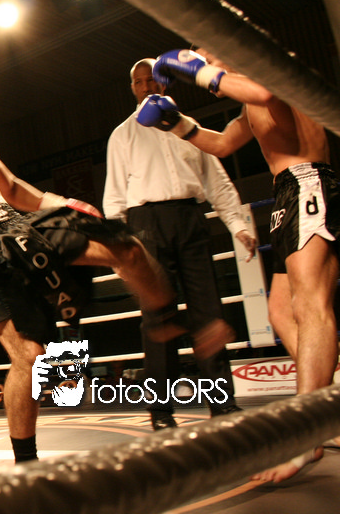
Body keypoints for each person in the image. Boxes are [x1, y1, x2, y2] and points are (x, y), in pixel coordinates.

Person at [0, 54, 231, 463]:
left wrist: (62, 202)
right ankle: (26, 463)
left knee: (128, 247)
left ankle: (164, 321)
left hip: (20, 227)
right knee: (30, 358)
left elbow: (13, 188)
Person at [140, 47, 339, 481]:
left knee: (311, 305)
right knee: (281, 311)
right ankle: (327, 398)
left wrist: (198, 71)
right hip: (287, 195)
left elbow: (266, 92)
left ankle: (307, 431)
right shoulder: (249, 101)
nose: (202, 64)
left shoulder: (274, 70)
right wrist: (176, 124)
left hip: (309, 185)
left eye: (205, 55)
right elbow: (223, 143)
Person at [104, 58, 257, 430]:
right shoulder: (122, 135)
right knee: (157, 318)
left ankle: (222, 403)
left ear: (163, 82)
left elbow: (217, 182)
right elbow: (114, 197)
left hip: (191, 219)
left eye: (151, 79)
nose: (147, 86)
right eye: (139, 82)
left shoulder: (189, 128)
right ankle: (160, 411)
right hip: (146, 224)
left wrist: (238, 225)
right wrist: (119, 251)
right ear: (133, 88)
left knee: (209, 309)